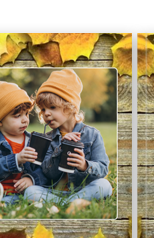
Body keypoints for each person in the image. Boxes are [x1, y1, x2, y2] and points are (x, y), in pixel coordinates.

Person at [24, 69, 112, 203]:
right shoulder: (48, 139)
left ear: (71, 107)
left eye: (52, 107)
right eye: (43, 109)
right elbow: (48, 173)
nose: (46, 113)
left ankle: (68, 202)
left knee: (104, 185)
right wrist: (59, 150)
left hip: (82, 189)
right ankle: (71, 203)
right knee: (30, 192)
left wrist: (84, 165)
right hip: (54, 191)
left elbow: (103, 168)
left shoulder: (92, 135)